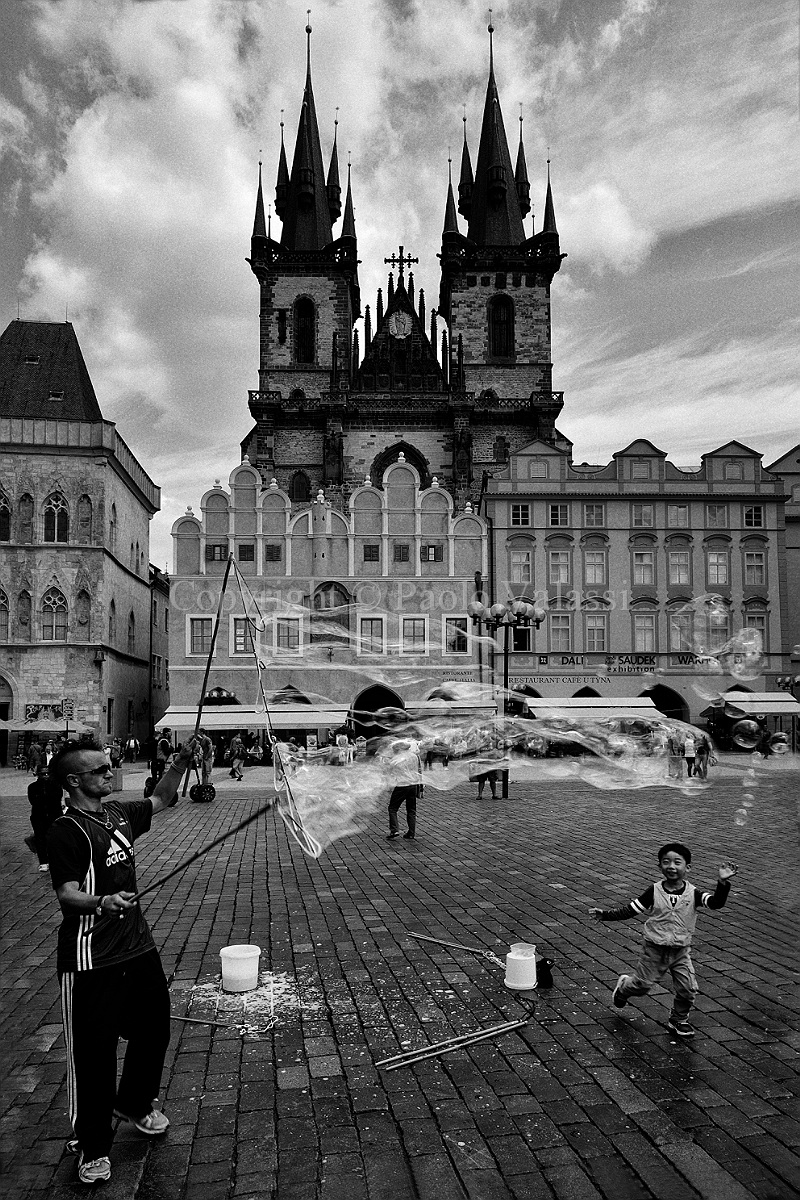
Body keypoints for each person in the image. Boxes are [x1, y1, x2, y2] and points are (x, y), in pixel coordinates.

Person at [46, 736, 197, 1186]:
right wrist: (101, 901)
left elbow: (162, 797)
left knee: (154, 1030)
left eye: (110, 767)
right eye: (101, 770)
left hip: (137, 947)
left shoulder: (117, 814)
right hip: (91, 958)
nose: (111, 773)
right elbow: (66, 894)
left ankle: (133, 1102)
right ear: (75, 780)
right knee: (93, 1056)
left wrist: (181, 762)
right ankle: (92, 1146)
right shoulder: (66, 831)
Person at [589, 842, 737, 1038]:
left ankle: (678, 1019)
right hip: (654, 950)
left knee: (688, 988)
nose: (672, 866)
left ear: (688, 868)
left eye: (677, 862)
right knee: (641, 987)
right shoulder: (654, 891)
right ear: (659, 867)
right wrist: (606, 915)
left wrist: (723, 882)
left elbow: (716, 903)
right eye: (666, 862)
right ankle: (624, 987)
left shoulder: (694, 893)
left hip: (680, 951)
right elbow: (630, 910)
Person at [28, 765, 64, 871]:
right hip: (38, 816)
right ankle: (43, 861)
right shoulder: (32, 787)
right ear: (38, 775)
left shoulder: (56, 785)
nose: (46, 776)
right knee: (40, 838)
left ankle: (56, 860)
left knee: (55, 838)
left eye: (48, 773)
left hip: (54, 815)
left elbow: (57, 799)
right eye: (43, 774)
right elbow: (33, 801)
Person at [385, 740, 423, 841]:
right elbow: (419, 770)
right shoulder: (414, 756)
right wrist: (420, 786)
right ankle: (411, 833)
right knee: (411, 810)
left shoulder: (396, 759)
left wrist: (389, 786)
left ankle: (394, 830)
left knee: (392, 808)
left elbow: (391, 773)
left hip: (402, 785)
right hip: (413, 785)